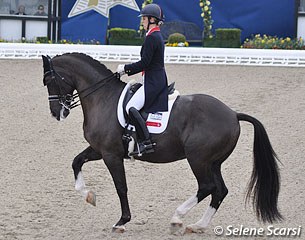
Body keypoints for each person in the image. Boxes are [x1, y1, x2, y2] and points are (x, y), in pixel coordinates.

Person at [117, 3, 168, 156]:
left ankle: (146, 142)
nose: (142, 21)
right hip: (154, 78)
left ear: (152, 19)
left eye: (144, 19)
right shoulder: (155, 35)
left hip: (154, 82)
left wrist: (125, 69)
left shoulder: (152, 38)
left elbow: (144, 63)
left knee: (130, 107)